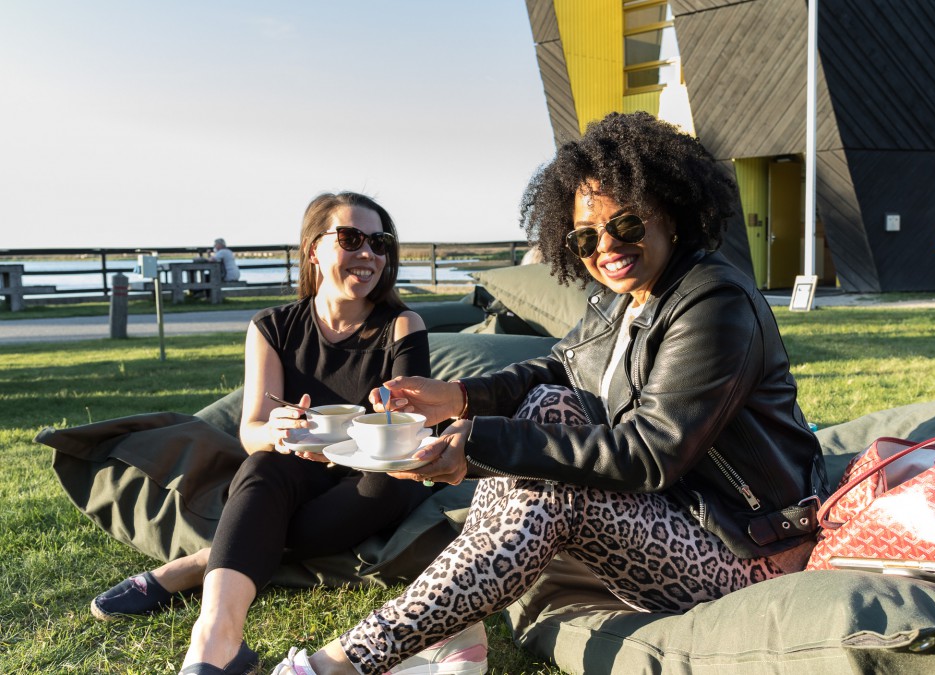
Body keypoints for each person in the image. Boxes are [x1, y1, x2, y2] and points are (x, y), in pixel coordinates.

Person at [270, 112, 828, 674]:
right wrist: (457, 398)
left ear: (671, 212)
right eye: (586, 236)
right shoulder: (620, 298)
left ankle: (342, 663)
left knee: (561, 490)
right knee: (546, 407)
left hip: (749, 548)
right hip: (683, 511)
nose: (606, 246)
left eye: (626, 225)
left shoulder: (713, 303)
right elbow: (557, 371)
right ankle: (454, 628)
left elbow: (650, 452)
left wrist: (479, 443)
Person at [89, 192, 438, 674]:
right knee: (260, 466)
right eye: (351, 239)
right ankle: (215, 641)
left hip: (373, 473)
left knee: (386, 483)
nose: (369, 255)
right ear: (313, 249)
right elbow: (250, 432)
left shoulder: (403, 324)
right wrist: (274, 430)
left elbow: (413, 432)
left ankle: (196, 565)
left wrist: (392, 413)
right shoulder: (271, 327)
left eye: (379, 243)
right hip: (297, 474)